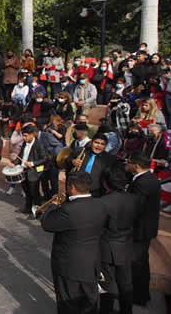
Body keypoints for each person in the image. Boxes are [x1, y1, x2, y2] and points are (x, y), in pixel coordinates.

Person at [40, 171, 108, 314]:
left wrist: (53, 205)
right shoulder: (101, 204)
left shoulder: (68, 209)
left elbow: (47, 224)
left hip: (68, 266)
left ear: (72, 187)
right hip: (91, 264)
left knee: (68, 304)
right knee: (89, 302)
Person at [99, 167, 137, 314]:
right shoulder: (133, 199)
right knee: (126, 282)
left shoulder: (103, 202)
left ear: (105, 183)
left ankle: (106, 310)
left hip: (106, 247)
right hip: (126, 245)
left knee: (107, 283)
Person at [127, 152, 161, 307]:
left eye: (130, 162)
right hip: (145, 228)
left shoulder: (143, 183)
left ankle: (137, 296)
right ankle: (141, 294)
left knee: (137, 264)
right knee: (141, 263)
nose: (127, 164)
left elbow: (136, 207)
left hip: (140, 230)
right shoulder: (150, 178)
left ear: (136, 166)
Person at [11, 125, 50, 216]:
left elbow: (45, 158)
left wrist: (32, 163)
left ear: (32, 135)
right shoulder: (25, 143)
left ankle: (37, 211)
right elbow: (21, 155)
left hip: (34, 172)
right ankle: (28, 208)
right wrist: (14, 163)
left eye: (26, 136)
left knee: (34, 192)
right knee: (27, 191)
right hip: (24, 170)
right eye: (23, 136)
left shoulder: (39, 145)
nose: (24, 138)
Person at [66, 133, 117, 198]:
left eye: (102, 144)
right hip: (76, 189)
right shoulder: (80, 151)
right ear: (91, 142)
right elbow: (67, 161)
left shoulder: (109, 159)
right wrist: (72, 161)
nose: (99, 146)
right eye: (96, 142)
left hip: (96, 192)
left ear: (105, 146)